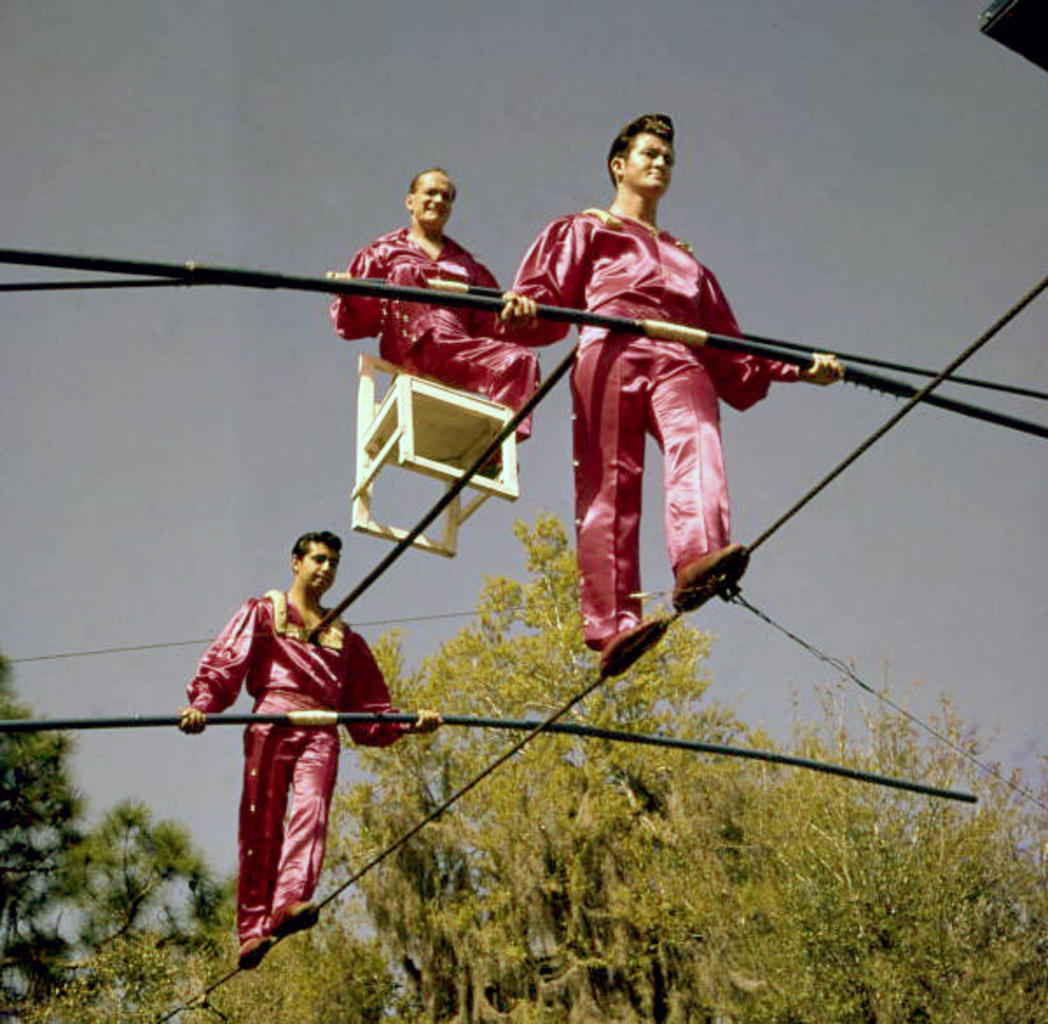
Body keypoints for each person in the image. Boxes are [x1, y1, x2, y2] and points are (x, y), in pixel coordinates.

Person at [500, 114, 843, 677]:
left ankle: (698, 557)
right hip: (609, 345)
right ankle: (614, 625)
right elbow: (542, 300)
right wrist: (524, 307)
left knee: (699, 440)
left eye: (667, 158)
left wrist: (801, 369)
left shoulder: (687, 259)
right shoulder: (585, 228)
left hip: (681, 353)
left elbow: (733, 347)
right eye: (649, 154)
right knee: (610, 480)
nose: (660, 163)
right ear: (620, 165)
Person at [178, 531, 441, 970]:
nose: (326, 569)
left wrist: (411, 723)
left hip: (322, 729)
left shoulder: (346, 638)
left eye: (334, 563)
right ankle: (252, 929)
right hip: (272, 722)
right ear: (295, 562)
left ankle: (289, 902)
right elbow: (226, 662)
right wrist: (201, 705)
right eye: (319, 559)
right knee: (261, 821)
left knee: (311, 813)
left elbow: (372, 710)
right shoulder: (263, 613)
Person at [329, 167, 540, 439]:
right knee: (405, 272)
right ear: (410, 202)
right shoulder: (384, 252)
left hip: (455, 351)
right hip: (409, 348)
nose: (439, 201)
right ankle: (425, 350)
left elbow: (491, 321)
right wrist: (349, 291)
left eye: (447, 196)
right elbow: (353, 324)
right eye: (431, 192)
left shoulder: (467, 264)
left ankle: (499, 447)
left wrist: (513, 309)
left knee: (521, 360)